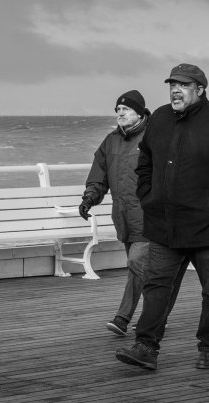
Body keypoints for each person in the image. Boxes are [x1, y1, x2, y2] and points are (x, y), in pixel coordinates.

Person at [115, 63, 209, 370]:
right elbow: (146, 162)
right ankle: (146, 347)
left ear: (200, 89)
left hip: (206, 227)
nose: (175, 90)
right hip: (164, 225)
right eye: (171, 85)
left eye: (183, 85)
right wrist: (148, 195)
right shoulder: (161, 118)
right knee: (156, 288)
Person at [79, 90, 150, 336]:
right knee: (144, 270)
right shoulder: (110, 141)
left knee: (136, 264)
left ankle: (123, 319)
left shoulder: (153, 138)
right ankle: (156, 315)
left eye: (126, 110)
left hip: (150, 216)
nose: (120, 113)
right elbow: (99, 175)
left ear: (139, 113)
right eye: (118, 110)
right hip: (123, 217)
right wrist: (89, 199)